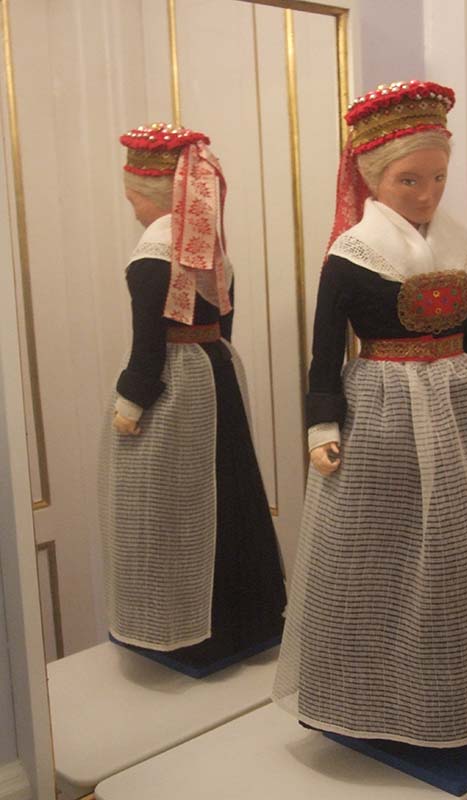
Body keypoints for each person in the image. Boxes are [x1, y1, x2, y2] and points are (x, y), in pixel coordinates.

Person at [273, 81, 467, 746]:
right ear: (373, 179)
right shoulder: (353, 255)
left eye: (438, 178)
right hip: (382, 415)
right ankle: (364, 696)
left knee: (463, 554)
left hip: (465, 412)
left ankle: (453, 686)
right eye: (409, 181)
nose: (426, 195)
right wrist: (322, 424)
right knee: (373, 559)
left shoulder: (464, 248)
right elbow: (324, 354)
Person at [99, 122, 286, 677]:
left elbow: (148, 346)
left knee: (172, 504)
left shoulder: (152, 257)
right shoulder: (209, 250)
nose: (133, 209)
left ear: (152, 196)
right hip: (216, 370)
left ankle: (183, 630)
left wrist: (131, 402)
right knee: (225, 489)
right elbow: (225, 323)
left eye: (134, 198)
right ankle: (243, 619)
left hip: (176, 385)